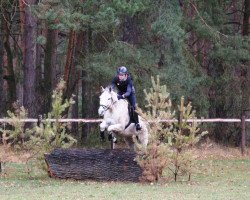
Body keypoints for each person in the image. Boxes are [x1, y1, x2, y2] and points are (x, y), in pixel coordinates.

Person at [111, 66, 141, 131]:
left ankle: (137, 123)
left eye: (122, 75)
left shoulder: (129, 79)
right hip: (121, 92)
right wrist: (111, 90)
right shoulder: (116, 78)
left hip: (130, 93)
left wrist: (121, 96)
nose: (120, 76)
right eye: (119, 74)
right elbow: (112, 85)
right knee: (113, 102)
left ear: (125, 74)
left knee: (134, 106)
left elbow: (128, 92)